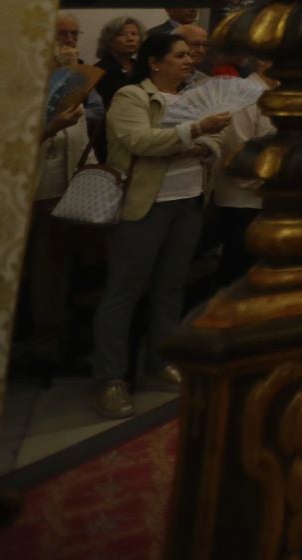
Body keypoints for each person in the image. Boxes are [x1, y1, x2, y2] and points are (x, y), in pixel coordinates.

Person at [93, 32, 230, 418]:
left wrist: (199, 141)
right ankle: (110, 380)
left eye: (191, 55)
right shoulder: (131, 97)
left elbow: (219, 140)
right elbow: (140, 140)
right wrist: (193, 133)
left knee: (170, 288)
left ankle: (160, 362)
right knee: (124, 290)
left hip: (187, 201)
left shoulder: (191, 98)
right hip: (144, 203)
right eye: (180, 55)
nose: (190, 61)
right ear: (155, 62)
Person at [22, 13, 100, 366]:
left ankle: (56, 338)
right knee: (39, 270)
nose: (69, 41)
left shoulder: (76, 79)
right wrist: (53, 125)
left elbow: (81, 134)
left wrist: (95, 174)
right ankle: (39, 341)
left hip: (68, 186)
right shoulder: (26, 79)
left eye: (73, 34)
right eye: (61, 35)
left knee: (58, 269)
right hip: (36, 187)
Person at [209, 63, 274, 289]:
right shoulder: (244, 94)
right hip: (242, 200)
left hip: (272, 198)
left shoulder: (280, 93)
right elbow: (237, 153)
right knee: (239, 274)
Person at [92, 15, 145, 143]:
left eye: (134, 34)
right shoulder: (99, 70)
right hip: (110, 133)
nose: (130, 38)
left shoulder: (143, 67)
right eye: (122, 34)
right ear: (109, 40)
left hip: (141, 128)